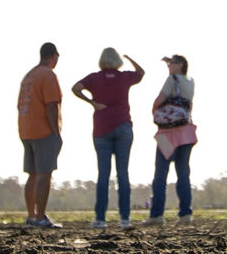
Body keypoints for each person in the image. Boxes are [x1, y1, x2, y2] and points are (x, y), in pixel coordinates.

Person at [71, 47, 145, 227]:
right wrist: (130, 58)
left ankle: (100, 219)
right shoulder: (124, 77)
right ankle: (125, 219)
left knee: (103, 174)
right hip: (123, 127)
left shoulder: (94, 78)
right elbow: (141, 73)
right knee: (123, 174)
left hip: (101, 129)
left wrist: (92, 103)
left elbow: (75, 88)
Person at [16, 43, 64, 227]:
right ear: (53, 56)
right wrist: (55, 132)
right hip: (43, 130)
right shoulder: (48, 75)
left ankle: (31, 215)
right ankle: (41, 217)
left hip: (26, 129)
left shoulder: (29, 76)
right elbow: (52, 105)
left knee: (32, 174)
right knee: (44, 174)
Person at [148, 53, 197, 222]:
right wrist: (170, 63)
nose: (169, 66)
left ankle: (157, 215)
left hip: (168, 134)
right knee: (183, 173)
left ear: (180, 65)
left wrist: (154, 111)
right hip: (186, 132)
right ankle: (185, 213)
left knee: (160, 174)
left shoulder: (172, 80)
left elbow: (159, 99)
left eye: (172, 63)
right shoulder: (190, 82)